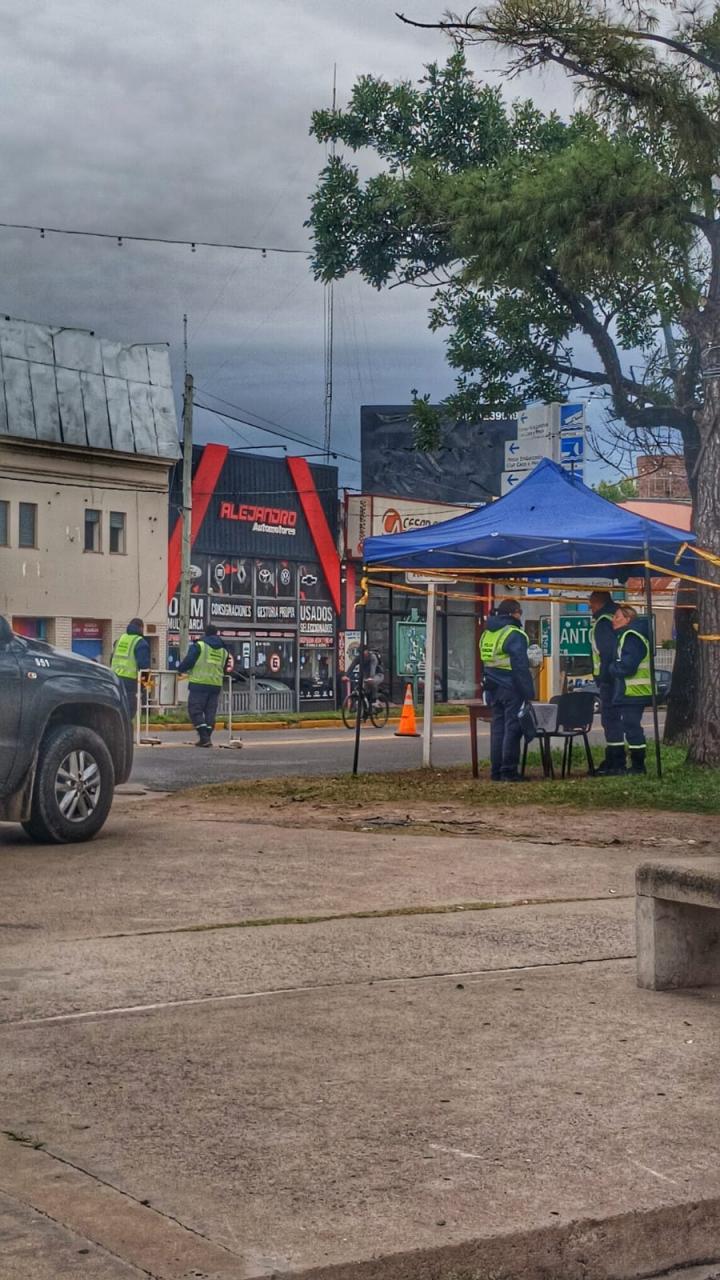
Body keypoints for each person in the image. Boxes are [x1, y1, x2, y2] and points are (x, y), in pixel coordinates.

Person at [480, 598, 535, 782]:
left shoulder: (487, 633)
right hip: (511, 688)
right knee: (513, 729)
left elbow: (486, 663)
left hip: (493, 688)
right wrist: (528, 693)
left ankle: (496, 771)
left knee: (498, 730)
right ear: (515, 613)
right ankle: (509, 771)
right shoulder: (514, 633)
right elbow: (520, 667)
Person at [608, 603, 652, 775]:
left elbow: (628, 666)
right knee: (630, 726)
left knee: (632, 727)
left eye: (617, 617)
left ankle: (638, 767)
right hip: (631, 692)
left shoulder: (631, 637)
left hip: (634, 692)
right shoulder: (627, 635)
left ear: (628, 619)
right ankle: (636, 765)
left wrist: (612, 668)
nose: (613, 620)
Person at [178, 624, 232, 747]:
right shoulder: (224, 650)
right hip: (215, 685)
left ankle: (204, 736)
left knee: (195, 710)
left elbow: (189, 661)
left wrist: (180, 669)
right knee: (210, 712)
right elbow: (224, 668)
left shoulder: (200, 646)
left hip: (199, 683)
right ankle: (206, 738)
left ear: (205, 633)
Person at [589, 589, 624, 775]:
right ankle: (614, 758)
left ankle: (615, 761)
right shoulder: (615, 616)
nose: (590, 609)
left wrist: (604, 677)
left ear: (598, 602)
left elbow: (607, 653)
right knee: (614, 720)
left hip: (609, 680)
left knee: (610, 720)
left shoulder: (603, 622)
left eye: (591, 605)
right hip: (617, 678)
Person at [110, 618, 151, 720]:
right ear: (141, 628)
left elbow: (111, 659)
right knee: (128, 712)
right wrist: (146, 685)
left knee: (116, 710)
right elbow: (144, 666)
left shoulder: (120, 640)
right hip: (129, 682)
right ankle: (124, 735)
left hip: (114, 679)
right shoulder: (140, 643)